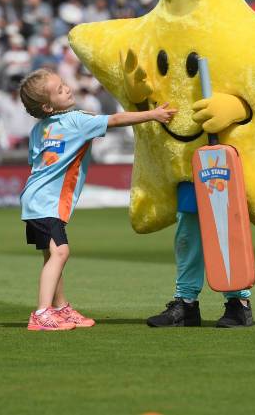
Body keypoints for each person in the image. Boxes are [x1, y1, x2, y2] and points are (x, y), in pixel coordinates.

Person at [18, 68, 176, 331]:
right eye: (59, 90)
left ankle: (61, 308)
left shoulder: (39, 130)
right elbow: (115, 120)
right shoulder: (78, 120)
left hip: (35, 198)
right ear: (47, 106)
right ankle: (41, 313)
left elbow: (35, 161)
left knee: (51, 255)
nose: (67, 88)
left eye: (64, 84)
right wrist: (154, 115)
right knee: (60, 252)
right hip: (46, 202)